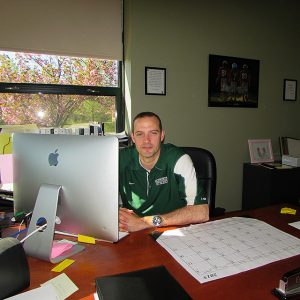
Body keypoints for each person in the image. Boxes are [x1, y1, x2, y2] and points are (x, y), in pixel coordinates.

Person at [119, 112, 209, 232]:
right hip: (132, 232)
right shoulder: (119, 159)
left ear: (162, 136)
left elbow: (202, 212)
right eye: (140, 134)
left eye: (153, 133)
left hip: (173, 230)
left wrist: (145, 222)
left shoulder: (178, 160)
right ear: (133, 138)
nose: (146, 140)